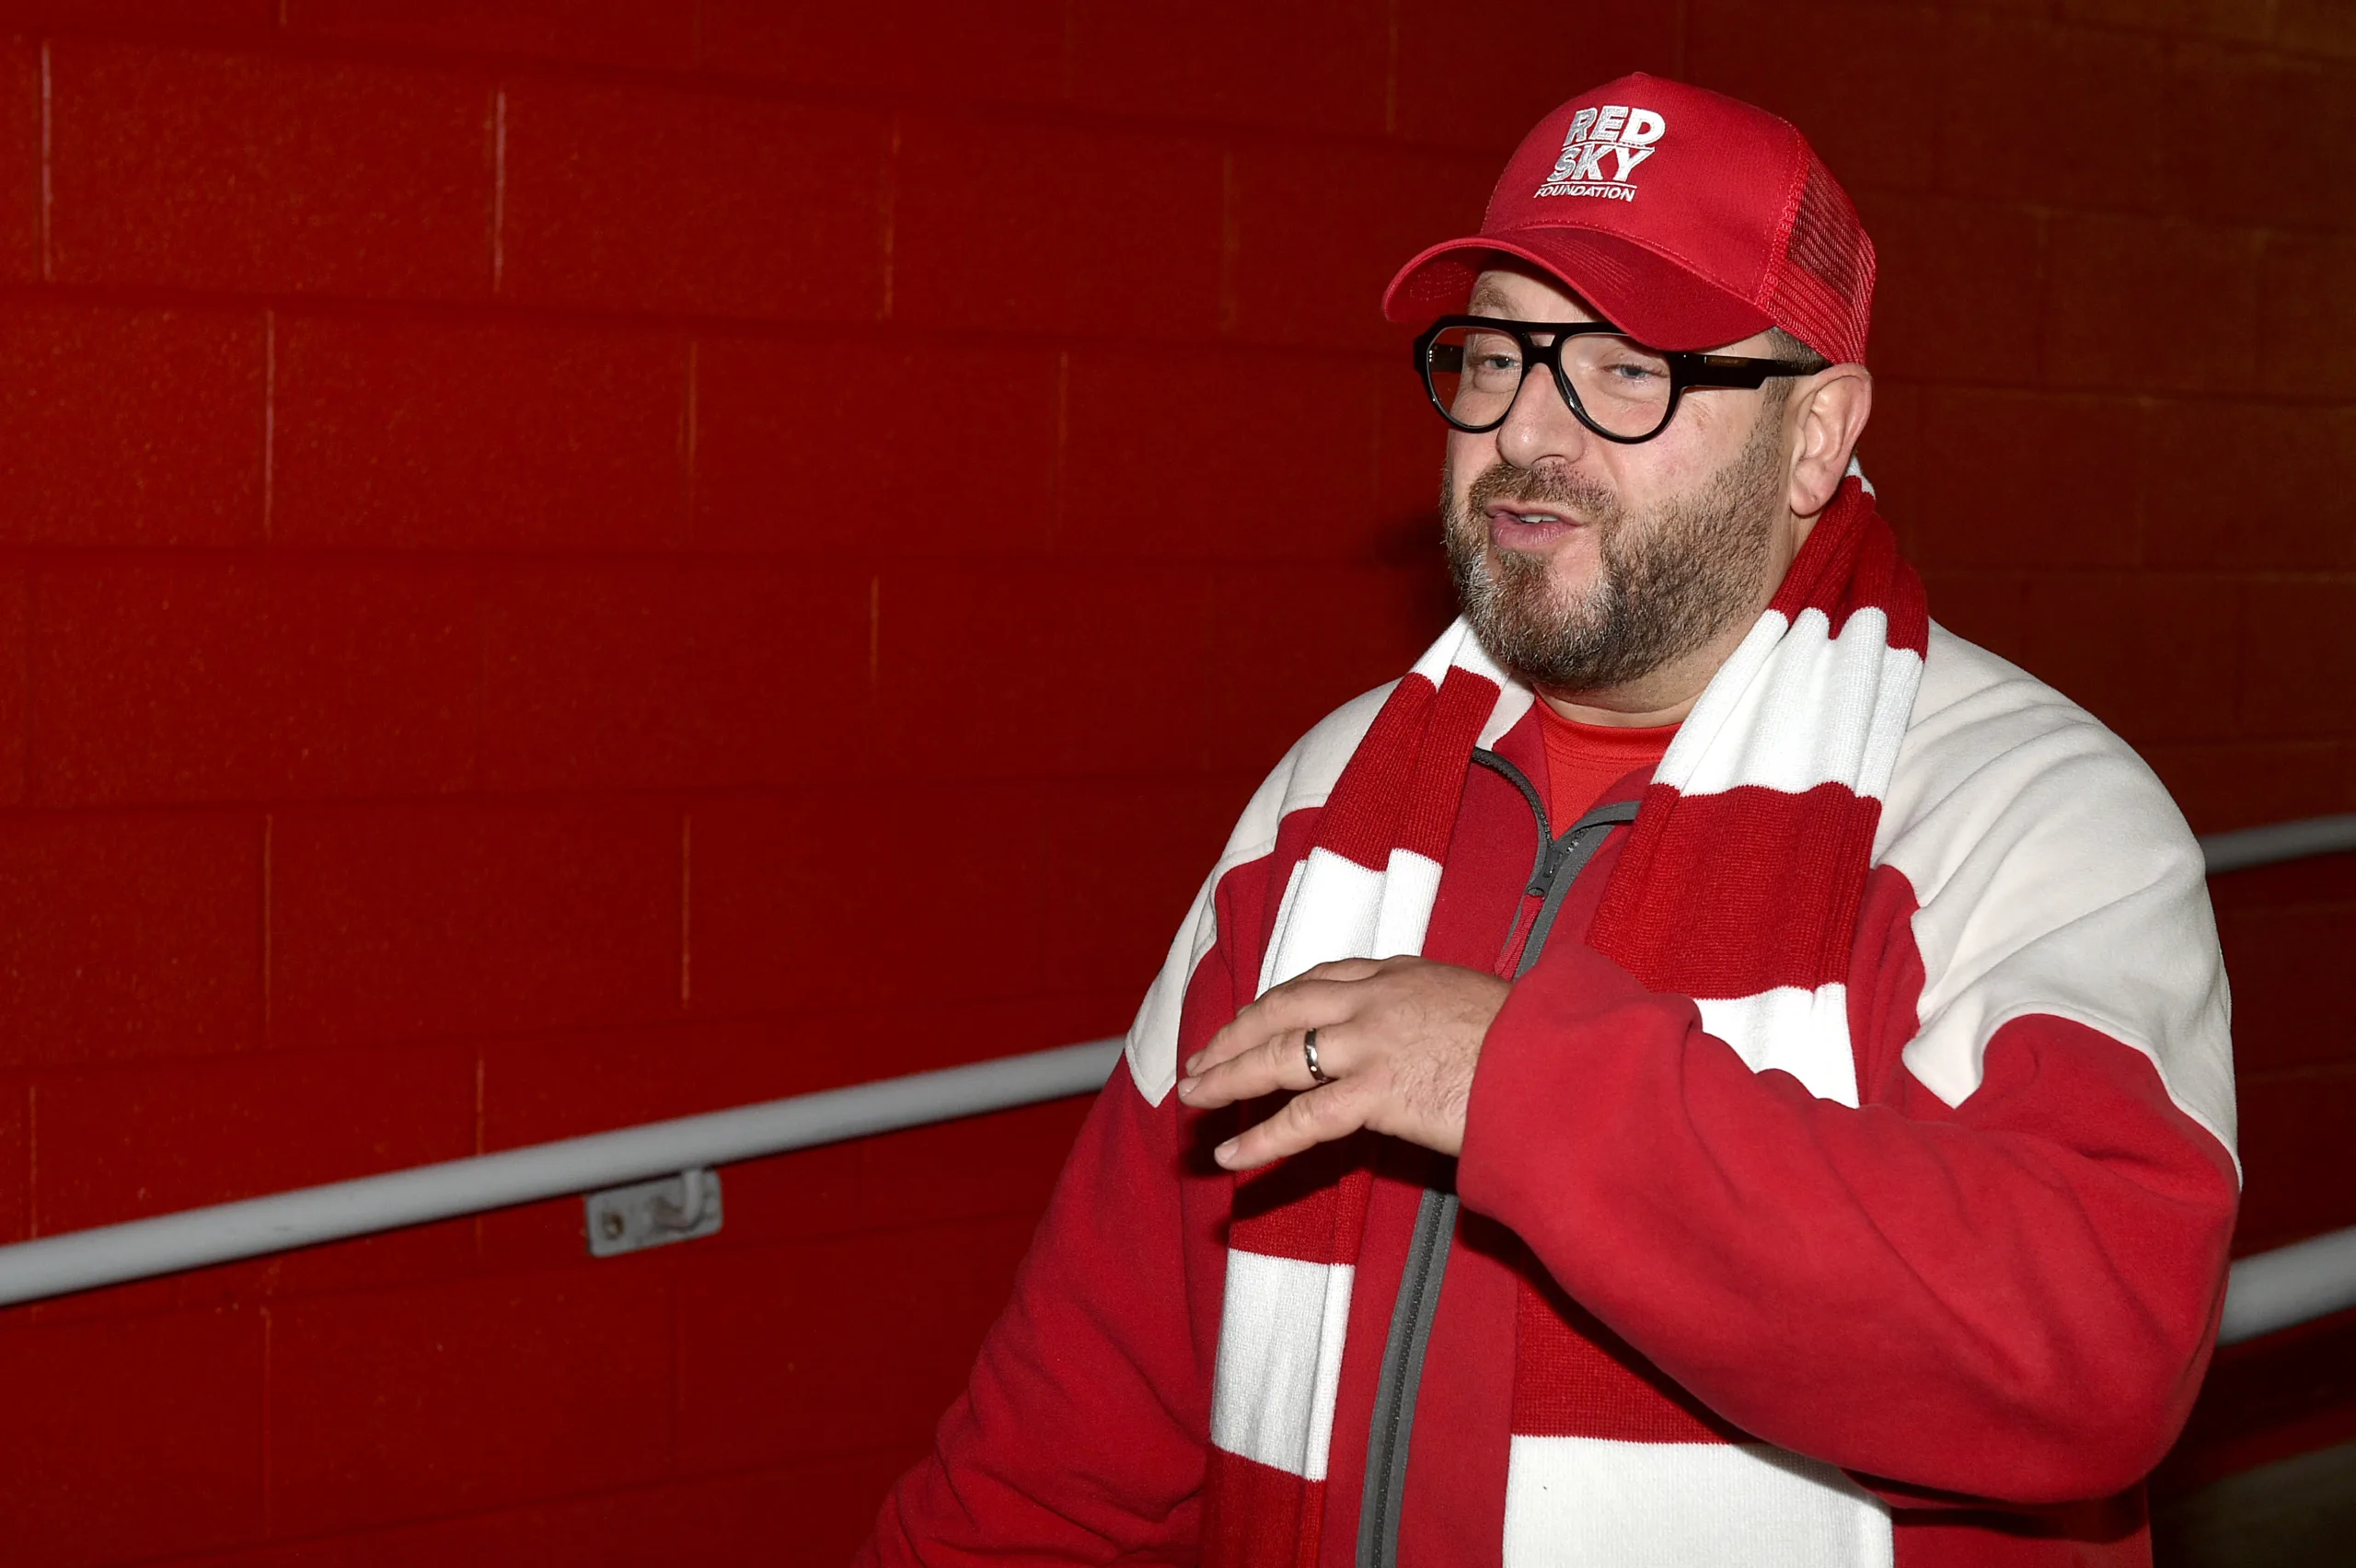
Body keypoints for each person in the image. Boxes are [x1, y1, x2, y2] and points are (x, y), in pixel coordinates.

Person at [858, 74, 2237, 1568]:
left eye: (1626, 369)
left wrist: (1519, 1085)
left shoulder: (2020, 816)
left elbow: (2101, 1345)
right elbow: (1064, 1442)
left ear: (1815, 433)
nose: (1526, 431)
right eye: (1497, 353)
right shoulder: (1324, 809)